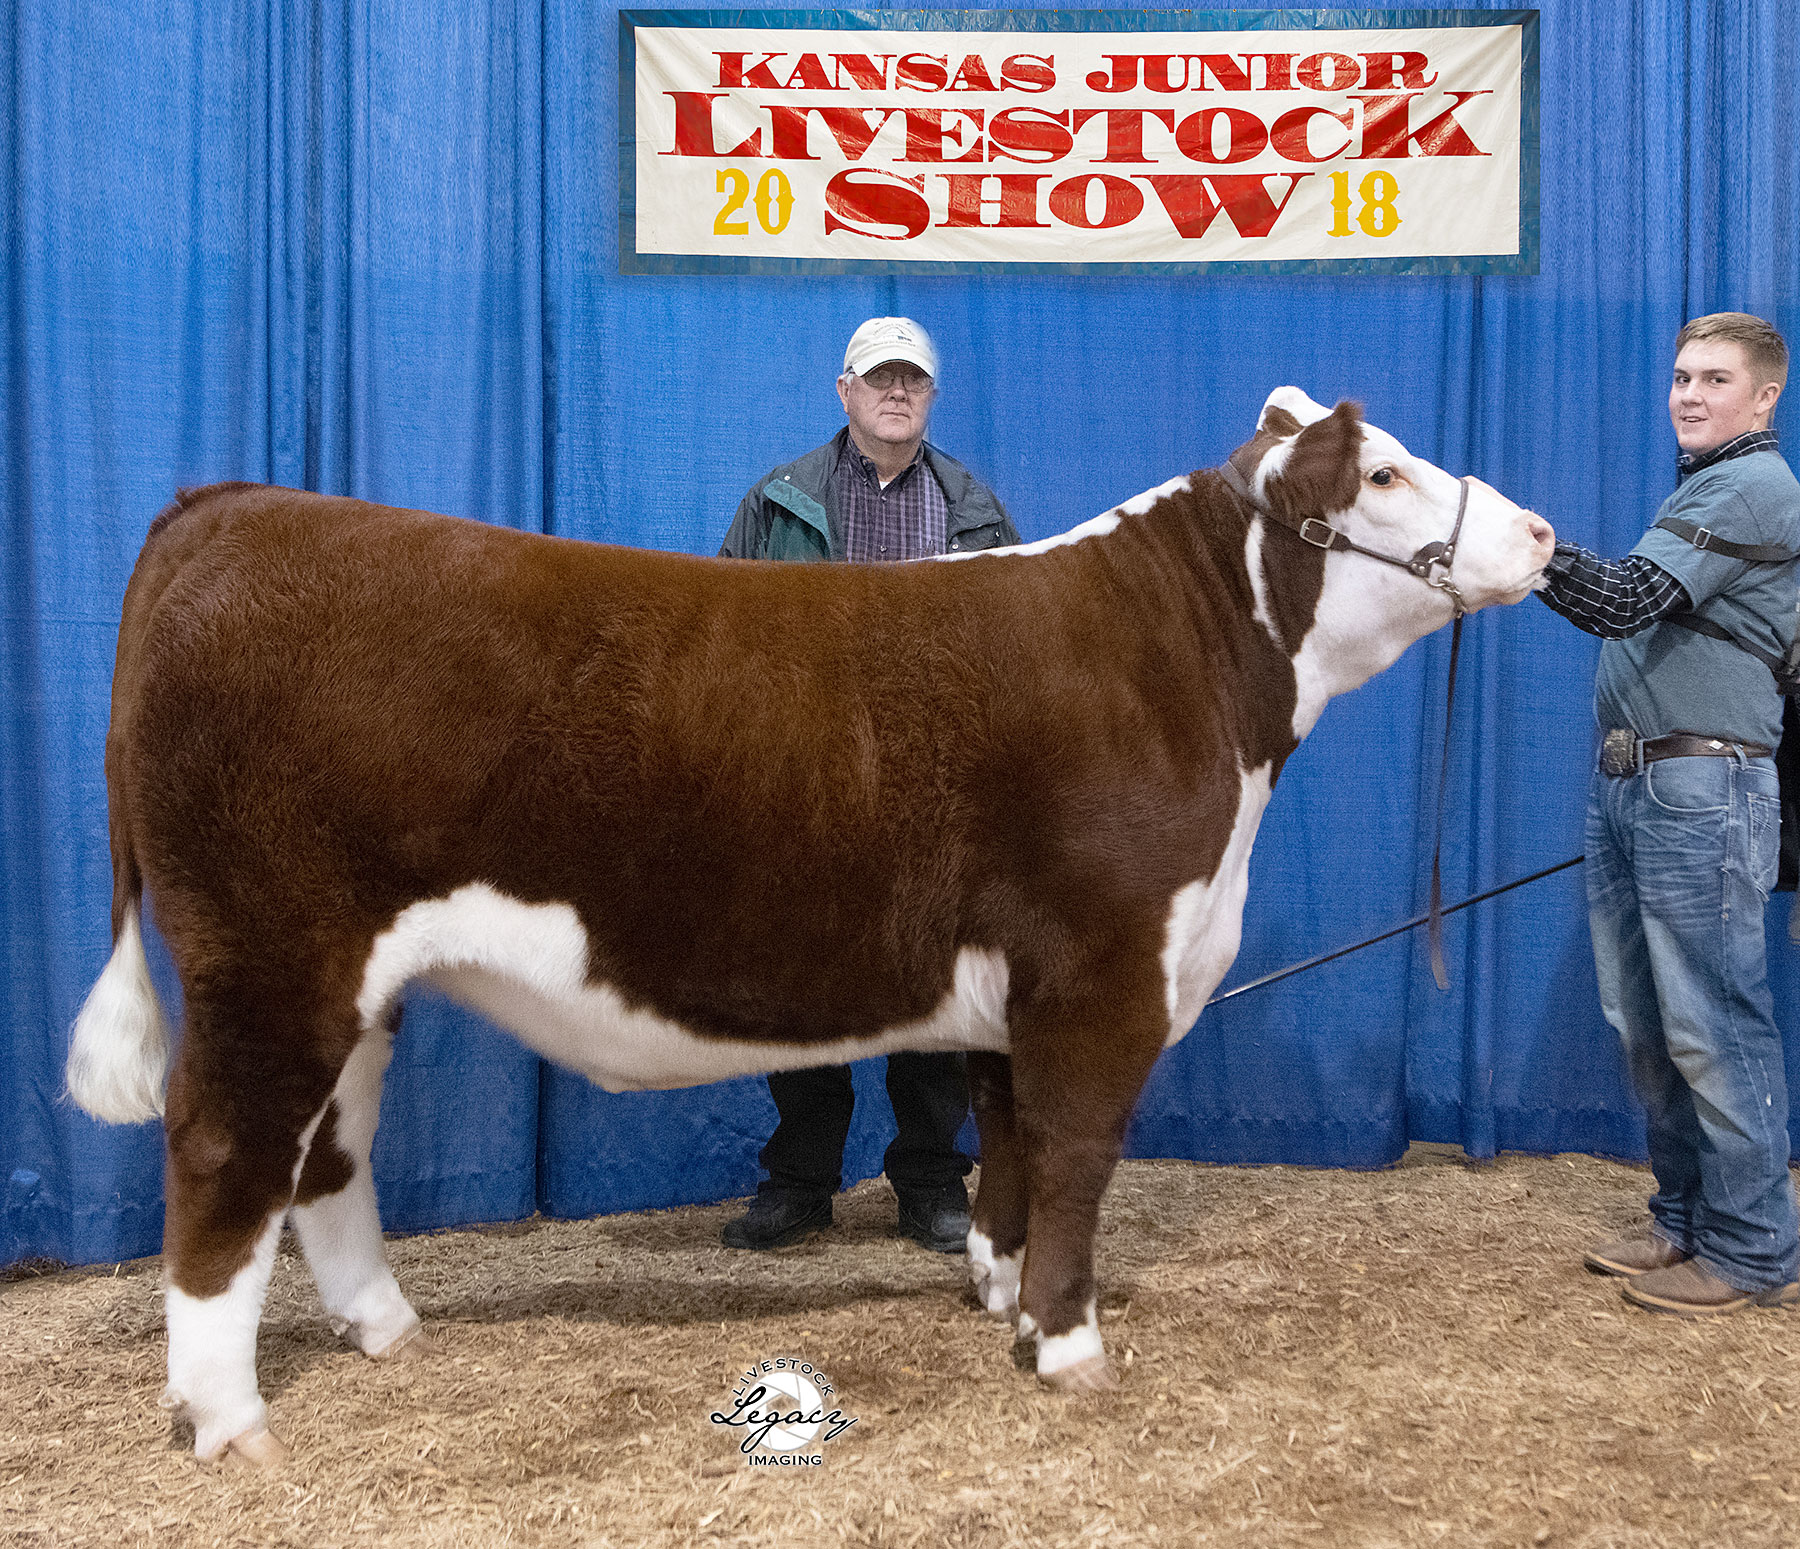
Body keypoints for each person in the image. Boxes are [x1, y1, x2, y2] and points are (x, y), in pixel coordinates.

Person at [716, 317, 1020, 1252]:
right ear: (843, 390)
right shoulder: (779, 503)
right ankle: (801, 1179)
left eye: (913, 381)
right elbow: (722, 629)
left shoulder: (976, 510)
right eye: (880, 379)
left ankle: (930, 1177)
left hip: (936, 788)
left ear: (931, 398)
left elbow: (1015, 649)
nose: (898, 393)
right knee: (802, 981)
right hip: (807, 778)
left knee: (935, 988)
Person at [1539, 311, 1800, 1315]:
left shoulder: (1754, 487)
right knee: (1645, 1018)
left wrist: (1523, 546)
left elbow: (1621, 600)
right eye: (1683, 376)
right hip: (1641, 782)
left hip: (1703, 788)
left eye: (1716, 379)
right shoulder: (1707, 487)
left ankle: (1754, 1248)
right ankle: (1687, 1218)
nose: (1690, 393)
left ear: (1766, 396)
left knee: (1712, 1019)